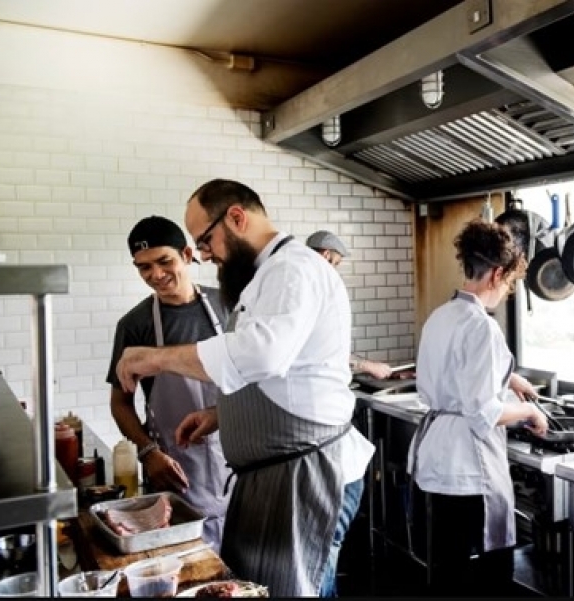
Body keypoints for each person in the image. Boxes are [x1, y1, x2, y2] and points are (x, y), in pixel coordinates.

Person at [114, 179, 374, 598]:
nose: (204, 254)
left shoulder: (292, 268)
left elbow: (261, 355)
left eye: (205, 240)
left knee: (297, 590)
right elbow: (279, 374)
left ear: (236, 217)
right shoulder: (266, 275)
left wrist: (155, 357)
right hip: (277, 474)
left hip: (306, 473)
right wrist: (222, 415)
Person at [407, 218, 549, 597]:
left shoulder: (442, 315)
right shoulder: (482, 326)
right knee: (489, 578)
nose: (506, 292)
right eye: (509, 284)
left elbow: (454, 378)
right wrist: (531, 413)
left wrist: (510, 378)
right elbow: (485, 412)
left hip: (436, 461)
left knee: (447, 571)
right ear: (497, 274)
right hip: (468, 469)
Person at [106, 215, 230, 552]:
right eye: (143, 268)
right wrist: (149, 454)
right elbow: (120, 403)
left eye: (164, 261)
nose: (156, 275)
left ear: (187, 255)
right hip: (177, 470)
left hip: (238, 460)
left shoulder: (229, 304)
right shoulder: (135, 324)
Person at [306, 229, 393, 380]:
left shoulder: (304, 283)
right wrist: (367, 366)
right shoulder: (316, 290)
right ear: (326, 255)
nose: (335, 270)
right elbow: (327, 350)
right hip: (316, 385)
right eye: (336, 263)